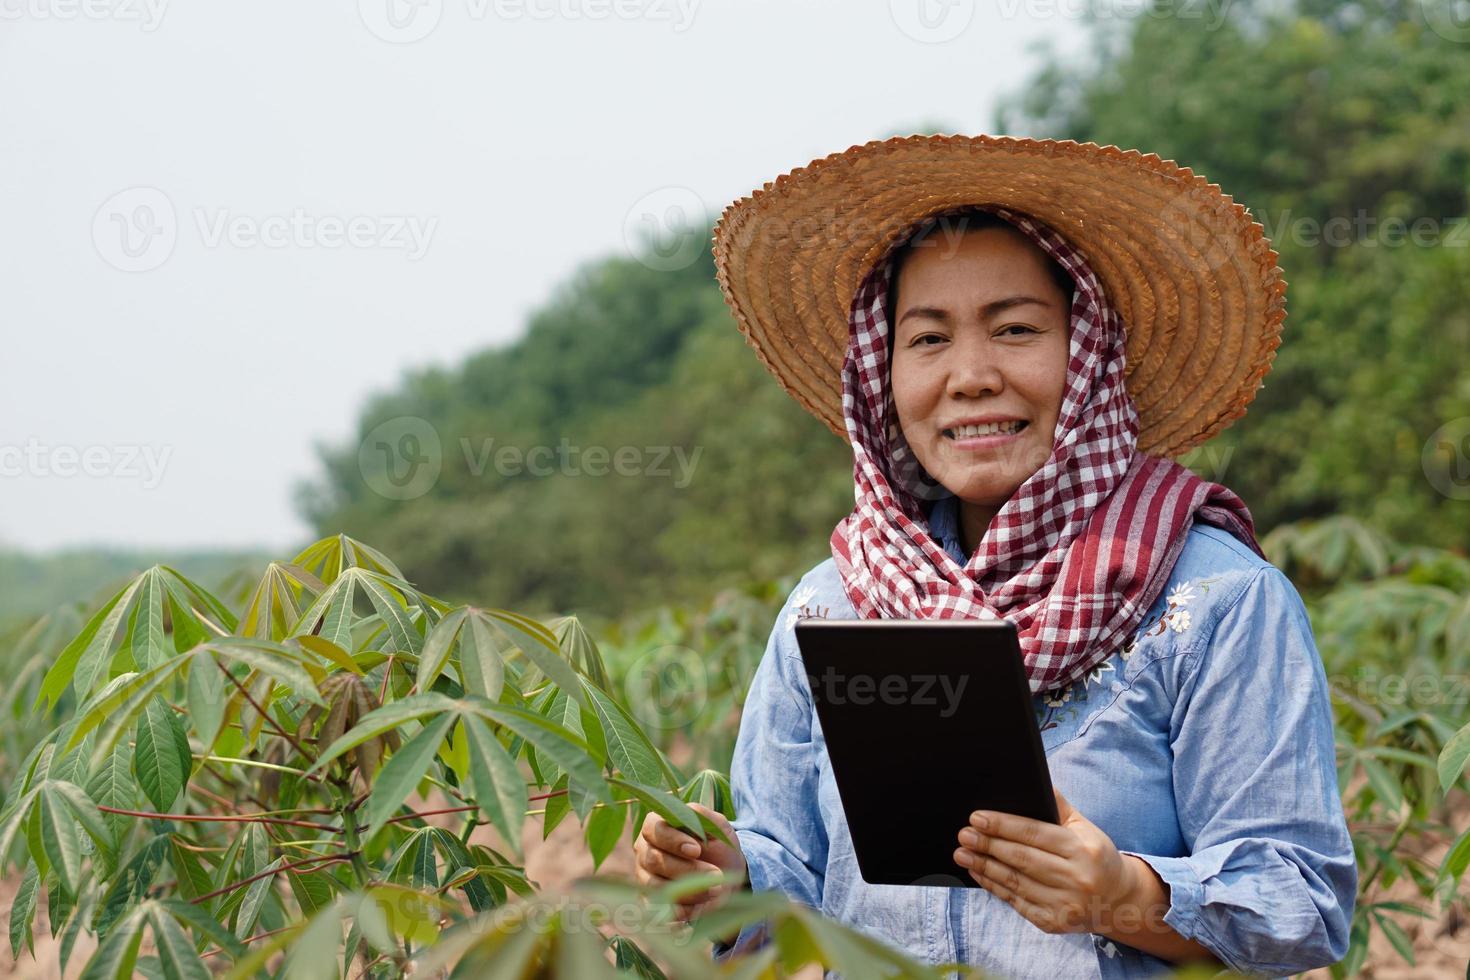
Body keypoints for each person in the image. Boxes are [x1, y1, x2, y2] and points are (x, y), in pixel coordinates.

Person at [633, 134, 1357, 979]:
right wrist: (731, 885)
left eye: (1015, 329)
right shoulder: (829, 610)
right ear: (883, 374)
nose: (970, 375)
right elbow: (794, 887)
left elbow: (1300, 903)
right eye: (929, 339)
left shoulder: (1215, 601)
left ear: (1087, 359)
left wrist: (1126, 894)